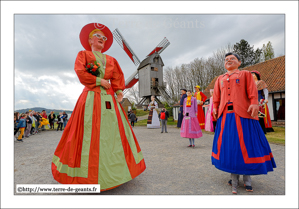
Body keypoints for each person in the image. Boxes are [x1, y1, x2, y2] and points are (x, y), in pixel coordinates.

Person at [51, 23, 146, 191]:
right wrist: (98, 81)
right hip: (90, 99)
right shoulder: (83, 54)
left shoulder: (112, 60)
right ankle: (89, 175)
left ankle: (117, 171)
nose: (102, 39)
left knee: (114, 134)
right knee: (89, 132)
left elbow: (117, 76)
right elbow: (80, 72)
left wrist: (118, 91)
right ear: (90, 40)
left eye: (105, 38)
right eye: (98, 36)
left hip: (109, 99)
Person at [211, 52, 276, 194]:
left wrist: (254, 103)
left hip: (243, 114)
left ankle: (247, 179)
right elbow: (216, 96)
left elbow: (252, 90)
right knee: (229, 147)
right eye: (226, 59)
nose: (229, 61)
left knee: (246, 145)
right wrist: (214, 108)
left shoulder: (246, 74)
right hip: (225, 117)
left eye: (232, 59)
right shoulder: (219, 79)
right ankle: (233, 176)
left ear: (239, 62)